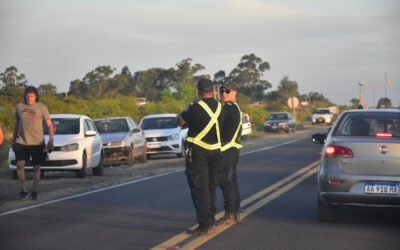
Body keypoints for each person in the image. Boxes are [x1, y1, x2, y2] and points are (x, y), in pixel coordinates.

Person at [176, 78, 224, 236]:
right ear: (213, 90)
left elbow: (181, 121)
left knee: (200, 188)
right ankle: (211, 220)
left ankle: (205, 225)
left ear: (198, 91)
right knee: (211, 187)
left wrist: (182, 113)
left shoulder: (194, 107)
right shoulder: (220, 107)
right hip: (217, 152)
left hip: (199, 153)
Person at [12, 86, 54, 200]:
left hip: (37, 143)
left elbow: (50, 125)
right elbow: (16, 124)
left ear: (35, 96)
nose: (29, 98)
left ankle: (34, 190)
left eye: (31, 96)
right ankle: (23, 190)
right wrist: (13, 140)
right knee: (19, 165)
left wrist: (51, 140)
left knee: (36, 167)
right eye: (27, 96)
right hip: (21, 142)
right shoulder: (19, 106)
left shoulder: (42, 107)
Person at [217, 81, 243, 225]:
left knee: (225, 180)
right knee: (232, 180)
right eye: (222, 91)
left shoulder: (229, 108)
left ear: (234, 92)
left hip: (227, 149)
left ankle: (229, 212)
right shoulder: (236, 108)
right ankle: (236, 210)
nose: (224, 94)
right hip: (233, 149)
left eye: (227, 91)